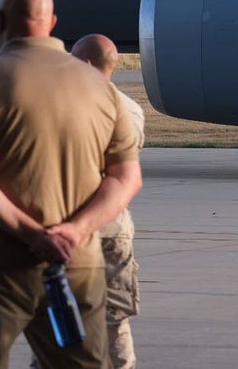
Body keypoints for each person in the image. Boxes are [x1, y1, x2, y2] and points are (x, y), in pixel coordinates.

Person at [0, 0, 142, 369]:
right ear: (52, 22)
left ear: (0, 20)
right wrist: (72, 232)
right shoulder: (101, 88)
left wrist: (31, 234)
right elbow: (126, 179)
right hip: (76, 260)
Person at [70, 34, 146, 369]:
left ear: (86, 64)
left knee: (63, 319)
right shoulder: (131, 108)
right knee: (115, 320)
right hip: (114, 223)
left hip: (73, 222)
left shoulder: (65, 105)